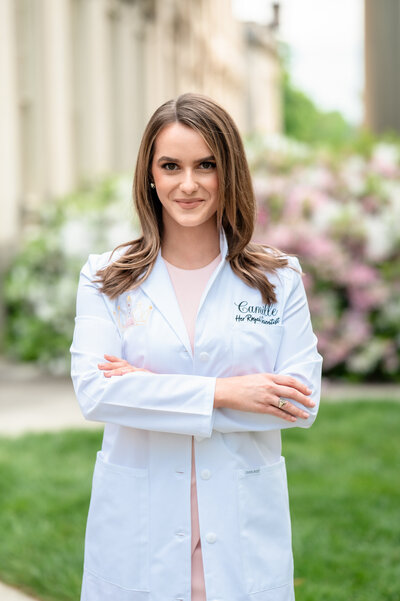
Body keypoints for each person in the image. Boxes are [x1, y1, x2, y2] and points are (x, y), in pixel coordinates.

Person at [70, 92, 322, 601]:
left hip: (241, 532)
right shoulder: (106, 277)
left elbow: (298, 402)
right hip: (138, 535)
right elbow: (96, 393)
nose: (188, 184)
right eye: (171, 166)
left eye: (206, 165)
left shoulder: (278, 278)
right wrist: (226, 394)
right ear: (150, 175)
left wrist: (147, 391)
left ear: (229, 172)